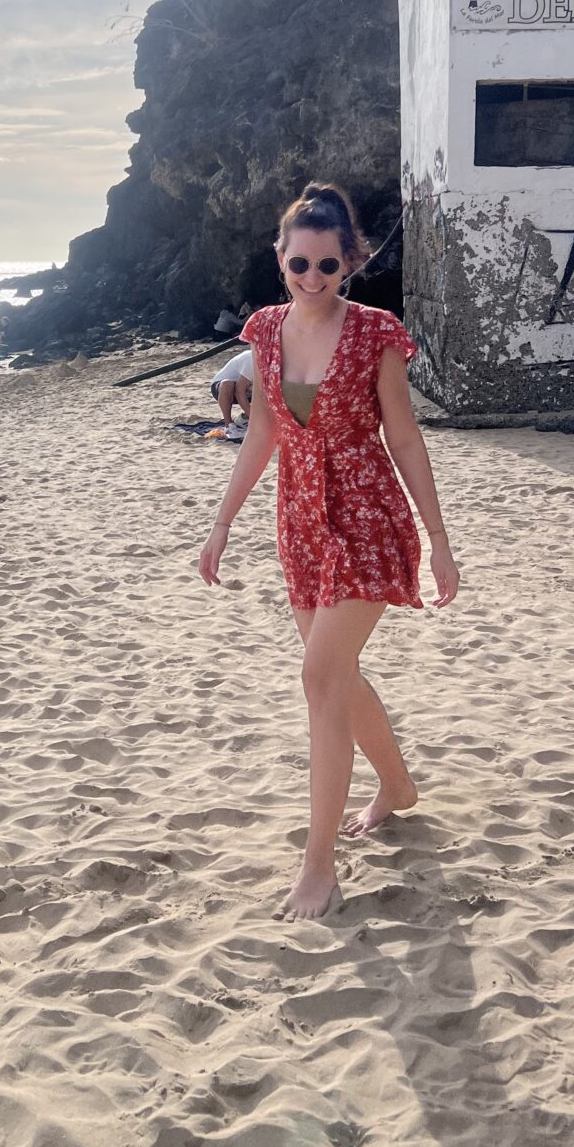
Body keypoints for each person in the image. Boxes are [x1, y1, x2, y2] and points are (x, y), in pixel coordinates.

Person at [198, 182, 459, 922]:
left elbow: (404, 436)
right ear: (280, 259)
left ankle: (318, 866)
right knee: (337, 676)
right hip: (301, 520)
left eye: (327, 266)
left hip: (369, 513)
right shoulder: (265, 331)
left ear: (350, 263)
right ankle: (398, 786)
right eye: (299, 265)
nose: (312, 279)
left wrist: (439, 540)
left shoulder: (377, 332)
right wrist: (221, 523)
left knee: (319, 676)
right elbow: (264, 434)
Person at [210, 347, 254, 437]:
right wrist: (255, 418)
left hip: (249, 389)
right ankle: (229, 425)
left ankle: (243, 419)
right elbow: (239, 391)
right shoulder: (251, 360)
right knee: (227, 384)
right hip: (222, 388)